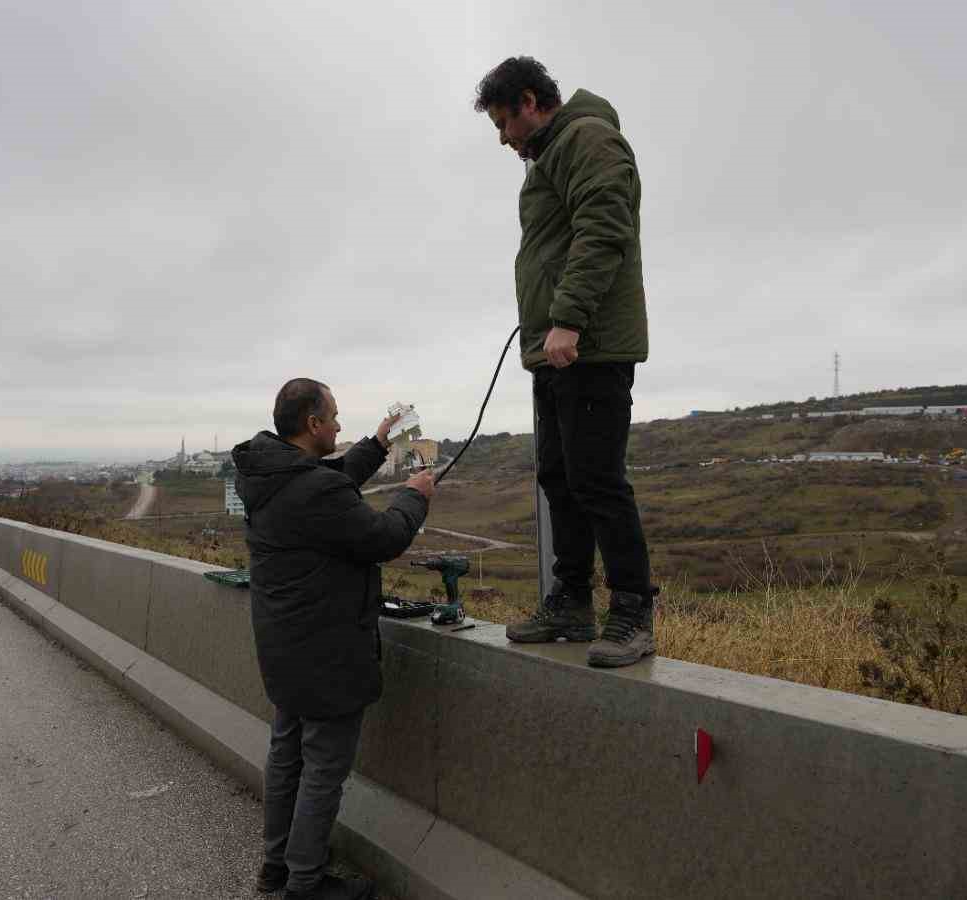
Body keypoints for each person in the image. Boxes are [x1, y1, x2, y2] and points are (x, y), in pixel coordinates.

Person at [474, 56, 658, 668]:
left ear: (530, 101)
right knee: (558, 476)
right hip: (553, 352)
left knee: (597, 479)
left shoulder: (588, 138)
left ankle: (631, 612)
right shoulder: (549, 156)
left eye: (504, 122)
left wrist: (570, 317)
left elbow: (605, 227)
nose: (503, 138)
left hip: (590, 345)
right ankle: (572, 603)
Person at [232, 378, 434, 900]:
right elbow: (382, 538)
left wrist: (382, 439)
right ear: (314, 424)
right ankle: (305, 882)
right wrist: (415, 498)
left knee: (287, 757)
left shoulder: (270, 474)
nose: (341, 426)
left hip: (284, 646)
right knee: (322, 769)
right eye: (335, 417)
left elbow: (333, 479)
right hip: (327, 652)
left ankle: (275, 867)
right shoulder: (312, 490)